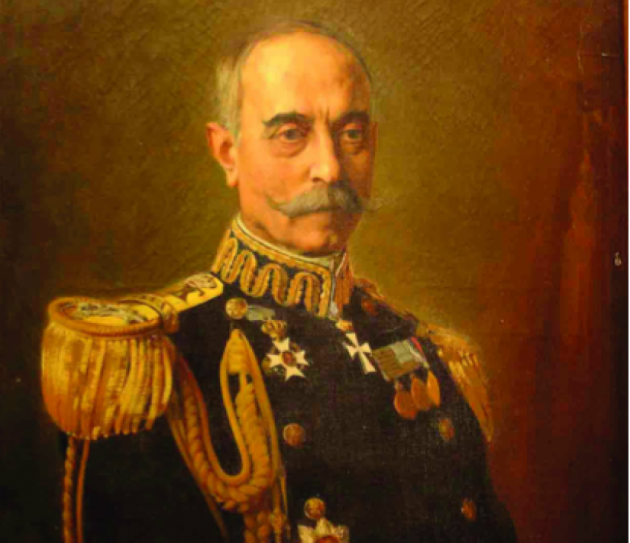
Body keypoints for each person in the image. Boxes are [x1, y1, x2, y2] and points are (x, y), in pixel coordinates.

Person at [41, 20, 516, 543]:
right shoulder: (152, 363)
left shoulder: (428, 352)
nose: (330, 168)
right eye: (291, 134)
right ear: (228, 152)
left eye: (351, 134)